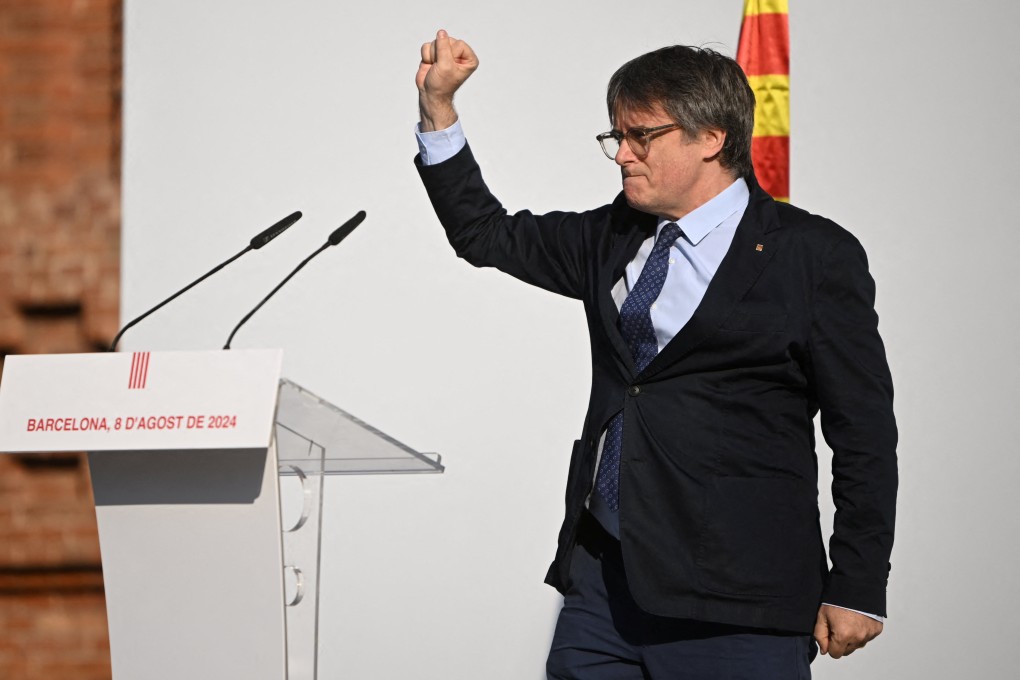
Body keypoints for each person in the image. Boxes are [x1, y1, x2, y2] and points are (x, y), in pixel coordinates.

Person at [414, 29, 897, 679]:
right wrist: (438, 109)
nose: (622, 155)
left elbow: (863, 433)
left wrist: (857, 584)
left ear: (711, 138)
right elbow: (484, 233)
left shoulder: (810, 257)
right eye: (617, 136)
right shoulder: (610, 235)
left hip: (737, 606)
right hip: (603, 592)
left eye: (642, 135)